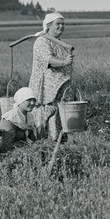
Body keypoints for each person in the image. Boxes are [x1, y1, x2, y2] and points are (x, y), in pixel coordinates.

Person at [29, 12, 74, 142]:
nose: (61, 26)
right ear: (48, 26)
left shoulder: (60, 42)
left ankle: (59, 143)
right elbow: (48, 60)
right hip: (46, 91)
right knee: (47, 115)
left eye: (63, 24)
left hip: (60, 89)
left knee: (60, 116)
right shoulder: (42, 41)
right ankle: (46, 144)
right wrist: (64, 62)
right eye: (58, 24)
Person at [0, 87, 38, 154]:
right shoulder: (11, 118)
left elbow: (34, 140)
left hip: (22, 151)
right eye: (29, 100)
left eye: (34, 100)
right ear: (21, 100)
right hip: (7, 153)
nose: (32, 103)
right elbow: (5, 146)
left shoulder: (30, 116)